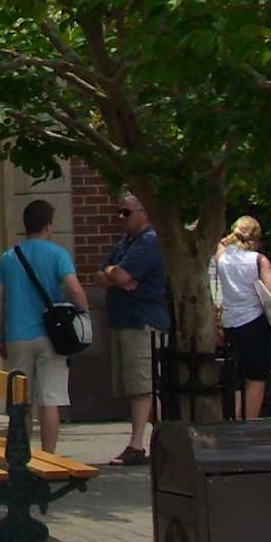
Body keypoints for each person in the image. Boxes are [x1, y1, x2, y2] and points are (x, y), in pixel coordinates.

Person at [0, 199, 89, 453]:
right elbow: (75, 289)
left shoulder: (8, 258)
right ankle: (48, 456)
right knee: (50, 399)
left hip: (17, 336)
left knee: (20, 401)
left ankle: (22, 455)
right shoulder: (57, 254)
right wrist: (84, 318)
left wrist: (1, 336)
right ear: (48, 225)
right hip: (51, 337)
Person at [100, 193, 169, 464]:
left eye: (126, 212)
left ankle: (138, 446)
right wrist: (112, 273)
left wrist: (114, 274)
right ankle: (164, 443)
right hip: (125, 322)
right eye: (119, 212)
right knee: (140, 386)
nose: (121, 217)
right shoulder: (125, 244)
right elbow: (103, 276)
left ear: (144, 212)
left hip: (143, 323)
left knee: (143, 387)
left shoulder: (149, 242)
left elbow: (120, 275)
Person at [214, 213, 271, 421]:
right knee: (256, 377)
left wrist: (228, 239)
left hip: (230, 322)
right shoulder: (258, 260)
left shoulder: (222, 258)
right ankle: (249, 422)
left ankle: (236, 419)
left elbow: (220, 244)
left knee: (237, 377)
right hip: (254, 322)